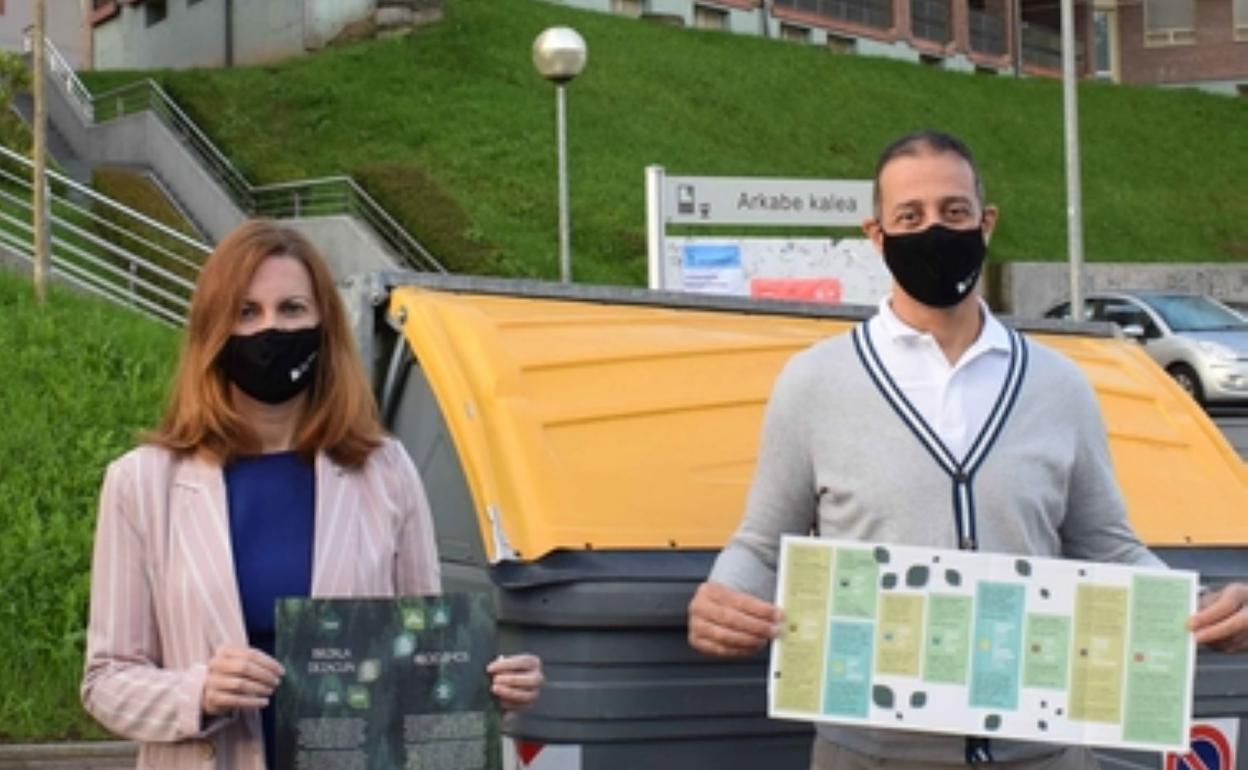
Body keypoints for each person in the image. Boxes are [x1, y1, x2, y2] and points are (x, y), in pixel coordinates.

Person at [687, 130, 1248, 769]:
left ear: (986, 223)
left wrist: (1201, 608)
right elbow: (761, 545)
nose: (934, 230)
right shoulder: (816, 382)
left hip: (1042, 752)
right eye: (910, 216)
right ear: (877, 235)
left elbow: (1107, 546)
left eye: (954, 212)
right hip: (871, 754)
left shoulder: (1059, 385)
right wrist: (721, 596)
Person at [81, 220, 543, 770]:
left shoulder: (387, 472)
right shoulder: (140, 483)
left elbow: (420, 659)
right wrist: (196, 692)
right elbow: (106, 680)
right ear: (212, 332)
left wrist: (482, 685)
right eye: (246, 312)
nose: (270, 329)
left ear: (324, 325)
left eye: (292, 309)